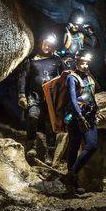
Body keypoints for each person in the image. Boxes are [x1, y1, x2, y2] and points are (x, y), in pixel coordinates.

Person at [18, 35, 66, 164]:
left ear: (53, 46)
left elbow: (65, 77)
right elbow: (23, 78)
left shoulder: (57, 60)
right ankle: (31, 145)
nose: (47, 46)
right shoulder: (32, 60)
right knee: (33, 116)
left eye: (50, 45)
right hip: (35, 95)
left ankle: (49, 153)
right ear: (41, 43)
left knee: (50, 124)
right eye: (45, 43)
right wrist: (22, 95)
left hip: (51, 98)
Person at [61, 51, 100, 194]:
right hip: (76, 116)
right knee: (74, 145)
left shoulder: (89, 77)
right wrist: (80, 117)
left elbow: (92, 94)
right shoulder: (72, 77)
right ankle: (74, 184)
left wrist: (96, 110)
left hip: (90, 115)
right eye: (83, 62)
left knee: (92, 145)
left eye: (87, 62)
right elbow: (72, 99)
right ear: (76, 62)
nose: (85, 65)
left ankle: (70, 176)